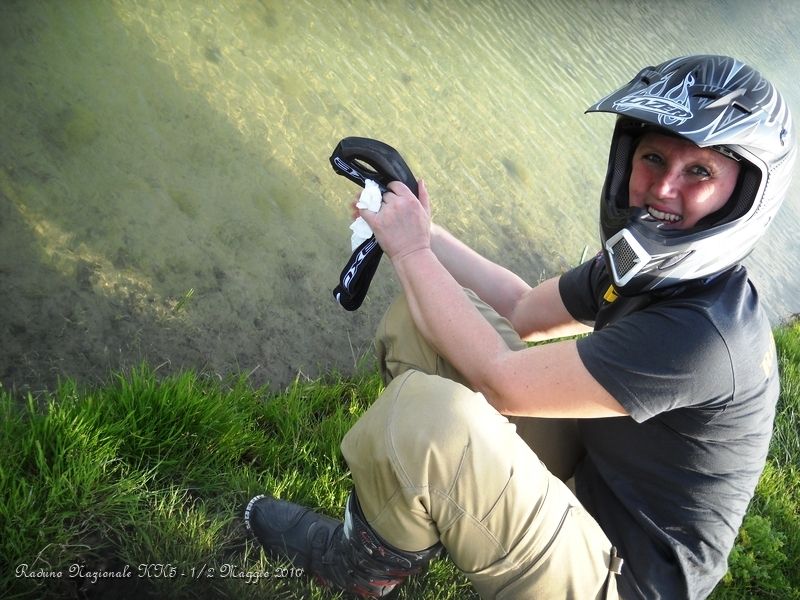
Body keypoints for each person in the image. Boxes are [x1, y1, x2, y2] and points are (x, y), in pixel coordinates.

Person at [244, 55, 796, 599]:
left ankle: (358, 566)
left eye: (699, 171)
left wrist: (409, 250)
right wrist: (422, 228)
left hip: (624, 579)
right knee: (420, 320)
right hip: (591, 478)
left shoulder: (705, 335)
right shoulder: (643, 265)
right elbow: (521, 308)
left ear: (744, 196)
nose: (661, 189)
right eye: (653, 158)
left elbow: (501, 379)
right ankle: (426, 512)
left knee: (428, 416)